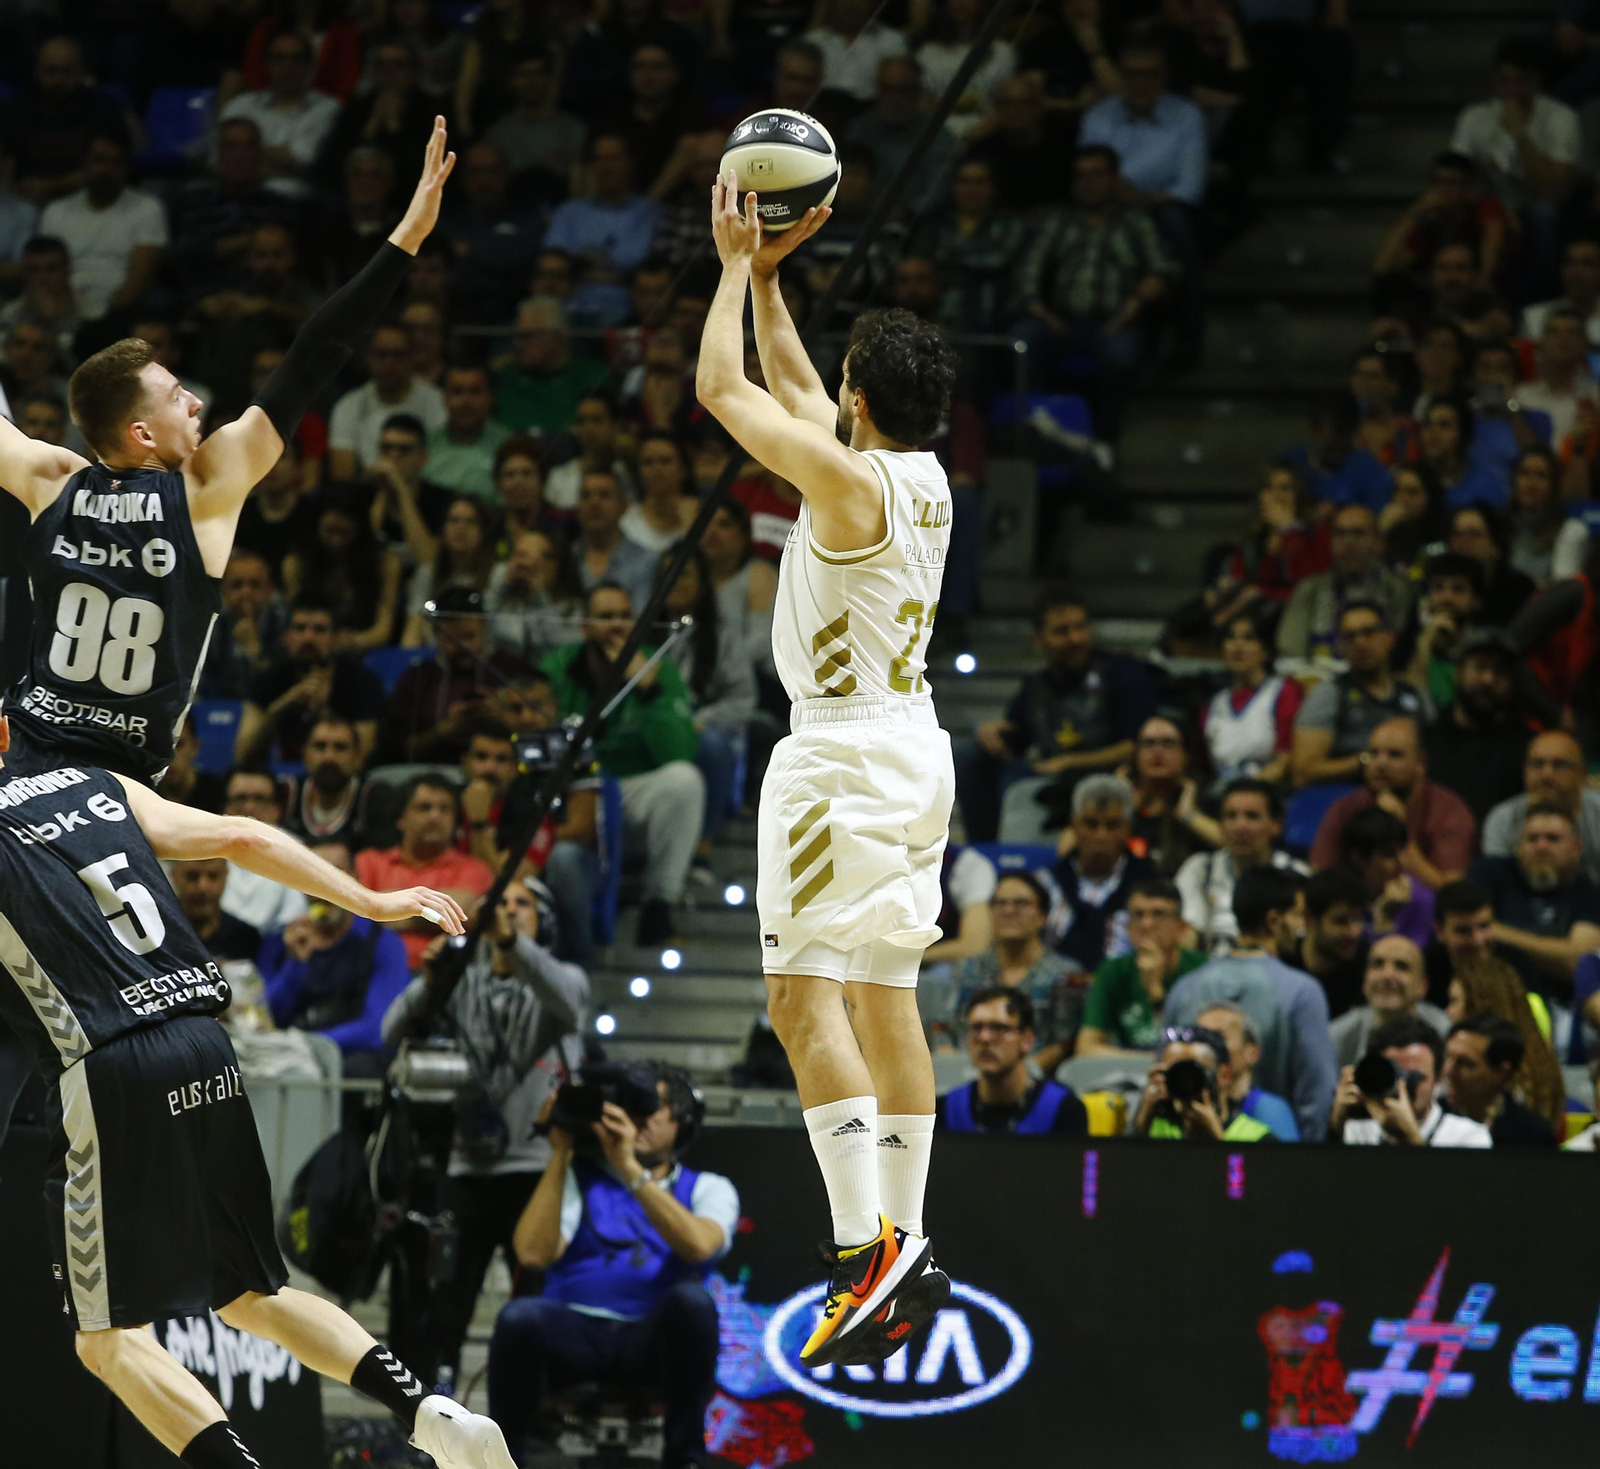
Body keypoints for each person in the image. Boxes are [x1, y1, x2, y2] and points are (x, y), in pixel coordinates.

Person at [0, 713, 512, 1469]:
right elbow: (244, 836)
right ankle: (430, 1411)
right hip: (208, 1042)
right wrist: (372, 901)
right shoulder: (97, 783)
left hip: (108, 1062)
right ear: (6, 734)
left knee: (106, 1341)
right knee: (249, 1294)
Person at [695, 173, 962, 1367]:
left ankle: (867, 1236)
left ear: (861, 402)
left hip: (841, 751)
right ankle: (901, 1235)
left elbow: (721, 390)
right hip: (913, 747)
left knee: (802, 997)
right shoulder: (921, 480)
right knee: (887, 995)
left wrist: (719, 264)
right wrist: (767, 276)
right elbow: (794, 386)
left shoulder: (847, 483)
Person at [0, 120, 454, 787]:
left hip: (23, 766)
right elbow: (312, 357)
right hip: (120, 781)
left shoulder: (51, 479)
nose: (195, 404)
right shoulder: (204, 488)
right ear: (141, 433)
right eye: (176, 396)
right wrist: (405, 240)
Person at [382, 876, 590, 1391]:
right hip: (467, 1165)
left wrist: (507, 941)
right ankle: (439, 1402)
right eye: (502, 904)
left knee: (533, 1297)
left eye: (525, 905)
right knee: (447, 1300)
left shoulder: (562, 976)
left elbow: (570, 1007)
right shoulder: (461, 978)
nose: (512, 910)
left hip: (532, 1170)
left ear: (544, 922)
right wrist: (431, 982)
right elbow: (389, 1034)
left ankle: (532, 1400)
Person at [493, 1065, 735, 1469]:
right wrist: (559, 1153)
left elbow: (698, 1246)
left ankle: (686, 1458)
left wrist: (628, 1167)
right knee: (520, 1316)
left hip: (653, 1340)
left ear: (682, 1124)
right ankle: (503, 1459)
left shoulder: (709, 1187)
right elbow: (533, 1253)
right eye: (629, 1108)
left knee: (693, 1304)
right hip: (575, 1332)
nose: (635, 1120)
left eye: (648, 1111)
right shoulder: (581, 1180)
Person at [543, 583, 706, 947]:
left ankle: (659, 905)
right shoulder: (558, 667)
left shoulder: (656, 667)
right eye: (605, 617)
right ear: (585, 626)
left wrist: (648, 691)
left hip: (630, 793)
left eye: (624, 616)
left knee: (684, 780)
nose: (617, 625)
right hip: (571, 795)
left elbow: (679, 751)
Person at [958, 588, 1159, 844]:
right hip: (1050, 771)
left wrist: (1069, 762)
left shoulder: (1122, 672)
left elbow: (1135, 747)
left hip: (1108, 772)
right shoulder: (1036, 686)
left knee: (1017, 780)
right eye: (1061, 631)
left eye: (1080, 627)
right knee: (971, 757)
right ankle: (985, 851)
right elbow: (1013, 739)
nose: (1075, 638)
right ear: (1039, 639)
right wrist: (988, 733)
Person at [1163, 865, 1338, 1141]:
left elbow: (1163, 1080)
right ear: (1274, 921)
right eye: (1297, 915)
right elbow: (1317, 1096)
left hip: (1186, 1152)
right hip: (1274, 1158)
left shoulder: (1184, 988)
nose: (1302, 927)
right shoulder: (1303, 993)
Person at [1010, 144, 1174, 439]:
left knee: (1122, 357)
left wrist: (1130, 310)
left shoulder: (1135, 221)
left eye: (1097, 174)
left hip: (1116, 322)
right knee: (1023, 339)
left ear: (1113, 178)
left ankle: (1103, 440)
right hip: (1060, 322)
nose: (1089, 183)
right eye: (1081, 176)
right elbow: (1029, 269)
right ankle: (1038, 429)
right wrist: (1041, 312)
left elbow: (1161, 270)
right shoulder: (1059, 222)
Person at [256, 839, 413, 1071]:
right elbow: (262, 1018)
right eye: (313, 875)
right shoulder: (278, 942)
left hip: (350, 1063)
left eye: (335, 875)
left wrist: (310, 1045)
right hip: (283, 1062)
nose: (325, 888)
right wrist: (294, 965)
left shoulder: (382, 942)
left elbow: (379, 1028)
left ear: (356, 881)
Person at [1449, 37, 1580, 300]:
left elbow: (1551, 186)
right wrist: (1498, 210)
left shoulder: (1561, 118)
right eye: (1505, 81)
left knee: (1543, 216)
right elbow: (1456, 175)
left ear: (1536, 81)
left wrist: (1521, 136)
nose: (1513, 90)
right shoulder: (1475, 117)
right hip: (1490, 210)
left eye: (1521, 81)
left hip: (1542, 208)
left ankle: (1543, 297)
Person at [932, 869, 1086, 1068]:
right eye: (1000, 904)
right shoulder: (967, 969)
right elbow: (942, 1026)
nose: (1009, 911)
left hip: (1035, 1082)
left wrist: (1017, 1076)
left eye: (1021, 904)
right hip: (966, 1075)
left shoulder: (1066, 975)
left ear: (1043, 916)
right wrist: (951, 1063)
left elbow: (1065, 1044)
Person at [1308, 717, 1474, 890]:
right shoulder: (1345, 808)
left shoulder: (1449, 811)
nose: (1380, 763)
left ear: (1420, 763)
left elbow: (1450, 895)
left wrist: (1400, 835)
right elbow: (1319, 884)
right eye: (1373, 753)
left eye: (1395, 755)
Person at [356, 774, 496, 969]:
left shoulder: (475, 868)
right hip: (372, 971)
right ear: (401, 819)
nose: (435, 816)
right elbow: (355, 917)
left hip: (445, 974)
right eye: (424, 808)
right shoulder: (369, 861)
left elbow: (461, 912)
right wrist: (432, 913)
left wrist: (384, 907)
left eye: (444, 809)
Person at [1469, 801, 1600, 998]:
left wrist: (1497, 932)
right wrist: (1552, 953)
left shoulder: (1589, 893)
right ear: (1518, 847)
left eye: (1553, 839)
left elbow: (1579, 962)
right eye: (1532, 839)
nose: (1541, 846)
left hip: (1560, 1003)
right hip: (1488, 991)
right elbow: (1465, 930)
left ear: (1576, 848)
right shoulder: (1489, 874)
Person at [236, 596, 385, 766]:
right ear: (287, 636)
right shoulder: (268, 678)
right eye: (300, 629)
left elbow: (361, 758)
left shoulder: (361, 681)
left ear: (336, 638)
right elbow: (241, 754)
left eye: (319, 630)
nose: (308, 637)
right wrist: (281, 707)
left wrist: (325, 710)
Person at [1291, 602, 1428, 787]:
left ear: (1390, 637)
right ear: (1340, 647)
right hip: (1345, 795)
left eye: (1369, 632)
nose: (1360, 642)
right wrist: (1369, 760)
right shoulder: (1329, 693)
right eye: (1349, 636)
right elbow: (1303, 772)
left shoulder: (1414, 694)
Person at [37, 131, 167, 321]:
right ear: (84, 163)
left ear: (127, 168)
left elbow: (138, 281)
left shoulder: (147, 208)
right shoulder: (56, 211)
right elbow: (44, 274)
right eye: (99, 160)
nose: (106, 170)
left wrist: (100, 319)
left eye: (116, 163)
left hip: (119, 312)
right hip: (62, 310)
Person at [1077, 877, 1207, 1056]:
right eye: (1138, 915)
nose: (1147, 924)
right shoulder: (1112, 971)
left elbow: (1192, 1048)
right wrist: (1146, 1062)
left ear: (1181, 927)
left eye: (1158, 914)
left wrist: (1155, 991)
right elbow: (1085, 1048)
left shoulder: (1202, 971)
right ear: (1129, 927)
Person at [1175, 779, 1306, 952]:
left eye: (1252, 816)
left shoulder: (1297, 876)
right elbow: (1185, 941)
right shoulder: (1200, 870)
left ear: (1276, 825)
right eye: (1231, 816)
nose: (1240, 826)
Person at [1421, 629, 1535, 827]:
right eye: (1480, 668)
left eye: (1499, 672)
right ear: (1458, 673)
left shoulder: (1527, 746)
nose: (1488, 679)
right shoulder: (1427, 738)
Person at [1046, 774, 1158, 973]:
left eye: (1112, 825)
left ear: (1128, 829)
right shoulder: (1046, 884)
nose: (1101, 835)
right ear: (1074, 826)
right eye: (1091, 824)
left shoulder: (1151, 884)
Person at [937, 987, 1088, 1134]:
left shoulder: (1063, 1109)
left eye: (998, 1028)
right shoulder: (945, 1109)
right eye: (976, 1028)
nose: (985, 1038)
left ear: (1027, 1039)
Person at [1277, 507, 1415, 661]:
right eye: (1340, 534)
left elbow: (1400, 653)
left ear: (1379, 542)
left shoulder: (1397, 590)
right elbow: (1290, 651)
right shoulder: (1310, 589)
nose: (1348, 542)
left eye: (1358, 533)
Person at [1331, 1016, 1492, 1147]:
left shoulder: (1469, 1136)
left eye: (1415, 1078)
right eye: (1394, 1076)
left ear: (1437, 1080)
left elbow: (1453, 1187)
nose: (1403, 1087)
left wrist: (1411, 1136)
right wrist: (1335, 1126)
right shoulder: (1355, 1131)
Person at [219, 29, 342, 198]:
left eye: (296, 59)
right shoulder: (241, 105)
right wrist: (280, 161)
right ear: (265, 64)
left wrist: (246, 158)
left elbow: (305, 159)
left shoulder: (327, 107)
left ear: (310, 66)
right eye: (278, 58)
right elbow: (218, 158)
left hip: (296, 202)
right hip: (239, 198)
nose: (287, 67)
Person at [328, 321, 448, 479]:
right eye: (381, 354)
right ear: (368, 357)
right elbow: (342, 475)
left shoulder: (437, 401)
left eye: (397, 355)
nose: (388, 363)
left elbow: (442, 465)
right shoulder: (348, 406)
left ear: (412, 357)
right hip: (366, 492)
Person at [1482, 730, 1600, 883]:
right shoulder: (1503, 819)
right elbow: (1497, 883)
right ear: (1525, 771)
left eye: (1559, 765)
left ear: (1582, 773)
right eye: (1537, 764)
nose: (1546, 774)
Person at [1202, 612, 1302, 785]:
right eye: (1231, 638)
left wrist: (1246, 792)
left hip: (1268, 794)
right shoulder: (1213, 705)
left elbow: (1285, 762)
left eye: (1249, 638)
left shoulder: (1283, 693)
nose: (1238, 646)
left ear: (1265, 650)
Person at [1132, 1023, 1274, 1143]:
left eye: (1194, 1071)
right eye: (1177, 1071)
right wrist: (1141, 1123)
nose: (1185, 1080)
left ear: (1224, 1075)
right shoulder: (1152, 1128)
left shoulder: (1256, 1138)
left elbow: (1244, 1176)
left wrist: (1216, 1141)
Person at [492, 296, 609, 437]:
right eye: (516, 335)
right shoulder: (503, 377)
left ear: (556, 336)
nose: (516, 344)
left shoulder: (593, 377)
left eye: (526, 336)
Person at [1329, 934, 1448, 1068]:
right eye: (1378, 964)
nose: (1387, 975)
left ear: (1422, 986)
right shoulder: (1338, 1035)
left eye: (1401, 966)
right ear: (1365, 980)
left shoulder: (1444, 1033)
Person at [1441, 1014, 1558, 1147]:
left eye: (1465, 1064)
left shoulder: (1533, 1136)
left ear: (1503, 1073)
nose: (1448, 1071)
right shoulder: (1432, 1119)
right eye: (1447, 1057)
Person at [1197, 1002, 1300, 1142]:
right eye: (1199, 1039)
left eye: (1218, 1038)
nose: (1206, 1048)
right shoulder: (1185, 1105)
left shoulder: (1269, 1110)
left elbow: (1287, 1163)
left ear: (1252, 1053)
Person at [1281, 393, 1394, 516]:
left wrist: (1338, 513)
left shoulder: (1374, 474)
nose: (1320, 438)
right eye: (1316, 428)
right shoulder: (1292, 461)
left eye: (1340, 432)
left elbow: (1376, 519)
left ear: (1352, 432)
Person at [1281, 868, 1370, 1020]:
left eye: (1358, 920)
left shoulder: (1367, 965)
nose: (1354, 932)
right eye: (1341, 921)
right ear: (1309, 919)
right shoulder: (1284, 966)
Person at [570, 469, 658, 613]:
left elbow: (640, 617)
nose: (594, 502)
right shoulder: (565, 558)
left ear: (624, 506)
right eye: (585, 495)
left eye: (604, 495)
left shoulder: (647, 561)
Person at [425, 363, 510, 498]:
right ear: (444, 397)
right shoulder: (426, 446)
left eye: (475, 391)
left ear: (490, 397)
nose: (466, 401)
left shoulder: (509, 447)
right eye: (457, 392)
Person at [284, 714, 367, 848]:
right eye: (320, 746)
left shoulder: (371, 796)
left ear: (358, 757)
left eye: (340, 747)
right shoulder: (286, 793)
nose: (329, 757)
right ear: (304, 754)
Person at [169, 858, 263, 964]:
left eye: (213, 876)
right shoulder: (156, 931)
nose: (203, 887)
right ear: (174, 876)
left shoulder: (246, 939)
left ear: (226, 877)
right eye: (192, 876)